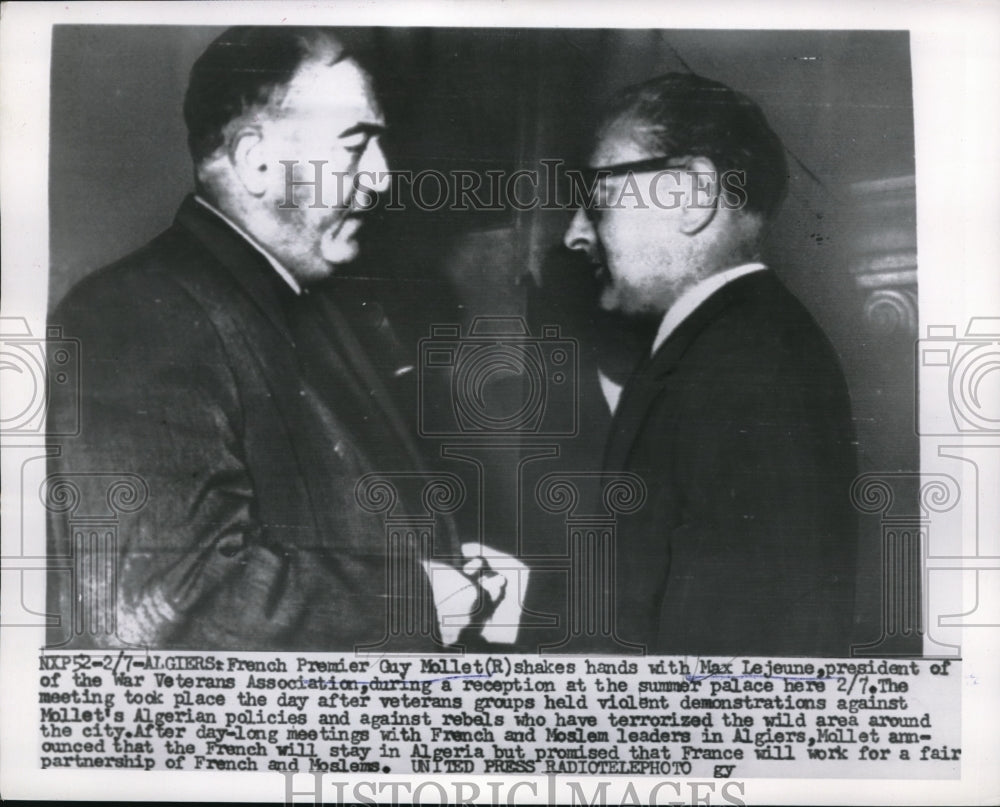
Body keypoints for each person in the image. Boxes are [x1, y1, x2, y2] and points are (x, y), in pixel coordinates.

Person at [46, 27, 505, 651]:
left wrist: (449, 568)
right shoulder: (133, 316)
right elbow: (169, 602)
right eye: (355, 145)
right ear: (257, 162)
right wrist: (434, 598)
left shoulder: (306, 304)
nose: (383, 177)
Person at [562, 72, 858, 656]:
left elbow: (725, 663)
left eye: (595, 196)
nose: (574, 232)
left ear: (691, 195)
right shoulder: (727, 346)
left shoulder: (747, 362)